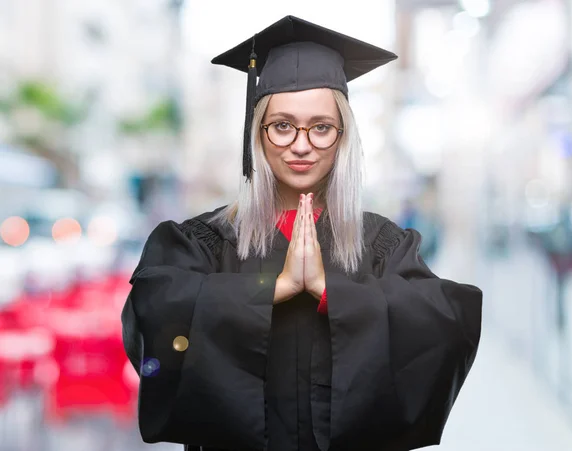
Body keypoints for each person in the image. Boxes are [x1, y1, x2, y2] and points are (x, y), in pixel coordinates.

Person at [121, 15, 482, 451]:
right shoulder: (203, 241)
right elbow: (154, 318)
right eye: (283, 125)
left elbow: (444, 330)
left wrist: (332, 292)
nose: (301, 144)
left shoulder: (383, 243)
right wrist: (274, 289)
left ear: (343, 137)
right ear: (258, 133)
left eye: (322, 127)